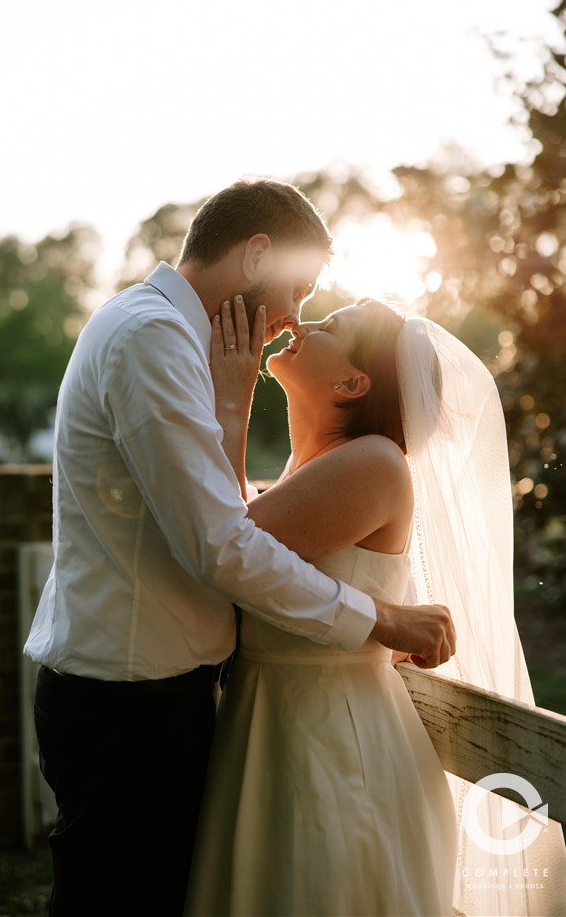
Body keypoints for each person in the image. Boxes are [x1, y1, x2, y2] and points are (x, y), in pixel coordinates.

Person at [23, 178, 456, 917]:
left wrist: (231, 403)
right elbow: (222, 546)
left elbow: (223, 525)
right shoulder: (152, 338)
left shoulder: (164, 334)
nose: (294, 317)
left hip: (178, 701)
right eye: (298, 287)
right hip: (130, 702)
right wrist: (383, 620)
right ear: (255, 255)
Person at [185, 298, 566, 916]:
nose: (305, 325)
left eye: (331, 327)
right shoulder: (313, 469)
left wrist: (233, 396)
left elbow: (230, 547)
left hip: (332, 746)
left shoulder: (374, 463)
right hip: (281, 723)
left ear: (352, 383)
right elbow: (236, 535)